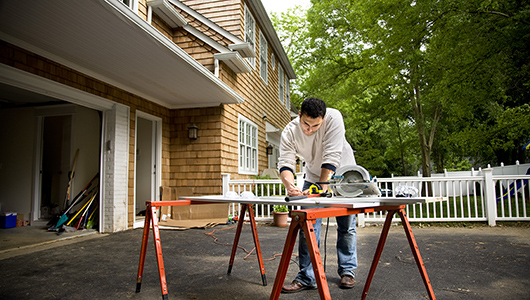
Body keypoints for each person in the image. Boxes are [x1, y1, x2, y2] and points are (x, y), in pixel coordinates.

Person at [278, 97, 357, 293]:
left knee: (346, 225)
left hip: (342, 175)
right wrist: (290, 185)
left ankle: (347, 270)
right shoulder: (290, 131)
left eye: (315, 125)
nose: (309, 129)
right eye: (306, 124)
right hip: (313, 175)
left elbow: (331, 156)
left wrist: (323, 187)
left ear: (323, 118)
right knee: (307, 226)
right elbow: (285, 162)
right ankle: (307, 276)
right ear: (299, 116)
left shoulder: (334, 118)